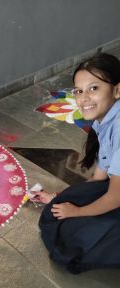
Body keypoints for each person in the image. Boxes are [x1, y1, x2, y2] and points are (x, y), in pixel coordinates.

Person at [34, 52, 120, 274]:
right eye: (79, 91)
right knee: (58, 214)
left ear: (117, 90)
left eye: (94, 88)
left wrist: (78, 212)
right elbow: (101, 175)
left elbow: (115, 196)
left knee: (71, 248)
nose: (84, 98)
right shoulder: (106, 119)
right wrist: (64, 198)